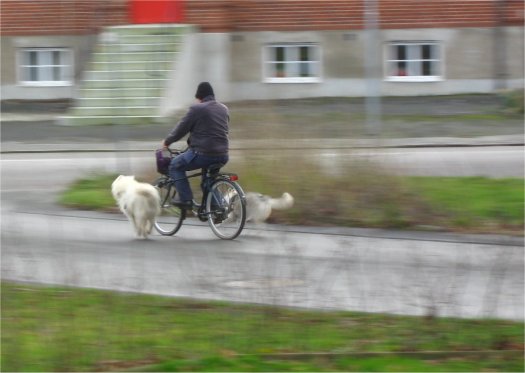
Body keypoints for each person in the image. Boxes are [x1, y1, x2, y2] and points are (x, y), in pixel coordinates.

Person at [161, 82, 230, 209]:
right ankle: (217, 209)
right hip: (223, 155)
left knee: (175, 165)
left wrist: (167, 142)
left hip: (203, 154)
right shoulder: (223, 109)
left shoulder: (197, 109)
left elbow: (181, 129)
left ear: (199, 97)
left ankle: (185, 199)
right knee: (208, 182)